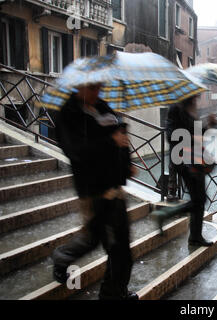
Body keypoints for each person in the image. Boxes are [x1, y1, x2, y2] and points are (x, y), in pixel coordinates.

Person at [51, 83, 138, 300]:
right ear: (79, 87)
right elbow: (76, 152)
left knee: (121, 251)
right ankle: (64, 258)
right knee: (101, 243)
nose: (97, 93)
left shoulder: (103, 107)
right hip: (92, 192)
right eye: (92, 88)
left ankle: (113, 292)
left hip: (115, 189)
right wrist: (111, 140)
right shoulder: (67, 114)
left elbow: (120, 139)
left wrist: (127, 163)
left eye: (99, 88)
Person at [154, 96, 217, 247]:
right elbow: (171, 135)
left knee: (200, 199)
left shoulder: (190, 111)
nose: (197, 97)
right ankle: (165, 215)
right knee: (199, 199)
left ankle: (195, 236)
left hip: (194, 159)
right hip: (184, 161)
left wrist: (208, 125)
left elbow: (196, 133)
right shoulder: (176, 108)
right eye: (195, 95)